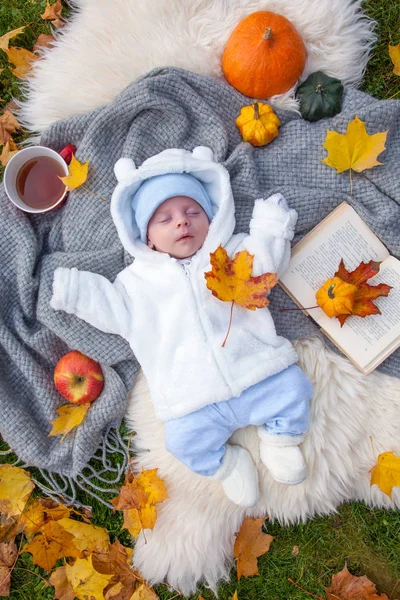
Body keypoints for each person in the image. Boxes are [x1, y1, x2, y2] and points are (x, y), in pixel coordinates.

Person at [50, 146, 313, 508]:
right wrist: (74, 291)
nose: (182, 222)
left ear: (213, 218)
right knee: (182, 442)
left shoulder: (231, 255)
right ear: (146, 238)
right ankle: (226, 465)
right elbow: (108, 306)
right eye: (165, 218)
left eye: (193, 211)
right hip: (192, 399)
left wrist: (269, 227)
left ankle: (280, 440)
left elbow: (266, 266)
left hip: (257, 372)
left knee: (295, 387)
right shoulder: (136, 285)